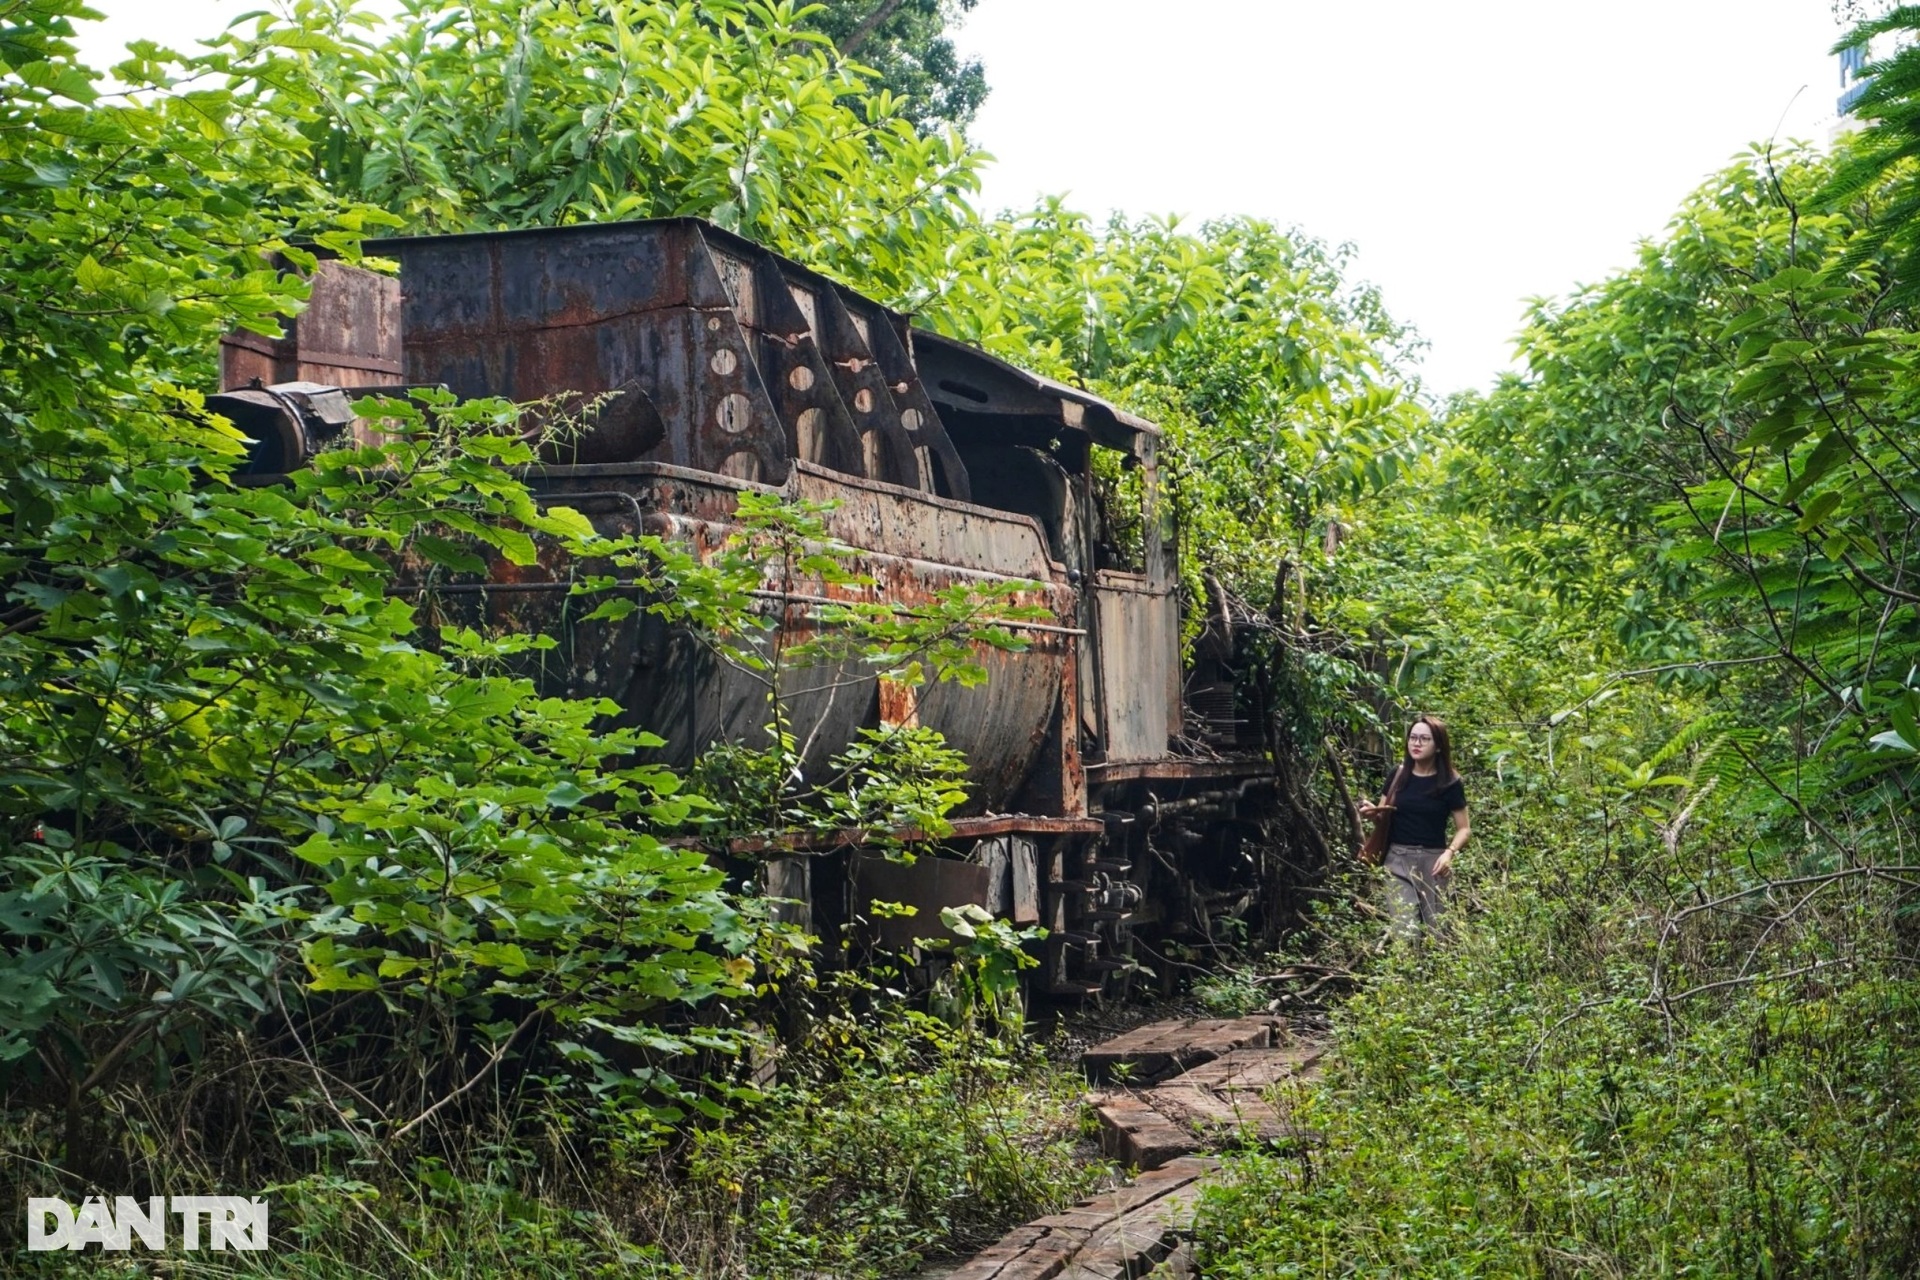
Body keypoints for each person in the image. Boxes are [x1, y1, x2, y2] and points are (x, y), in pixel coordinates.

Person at [1357, 715, 1470, 940]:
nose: (1416, 744)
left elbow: (1464, 828)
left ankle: (1435, 976)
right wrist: (1372, 814)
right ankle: (1406, 973)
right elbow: (1383, 817)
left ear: (1438, 746)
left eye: (1424, 739)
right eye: (1413, 738)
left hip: (1434, 862)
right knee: (1405, 933)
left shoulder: (1450, 782)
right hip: (1397, 860)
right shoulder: (1397, 775)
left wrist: (1449, 853)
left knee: (1439, 934)